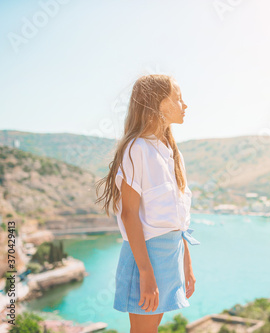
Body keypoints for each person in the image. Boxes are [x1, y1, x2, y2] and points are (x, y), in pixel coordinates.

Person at [96, 74, 200, 332]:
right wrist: (145, 272)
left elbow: (179, 220)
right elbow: (129, 215)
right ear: (159, 104)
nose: (185, 105)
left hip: (170, 254)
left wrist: (187, 264)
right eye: (178, 98)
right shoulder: (137, 148)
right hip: (146, 256)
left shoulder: (173, 153)